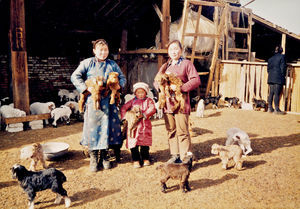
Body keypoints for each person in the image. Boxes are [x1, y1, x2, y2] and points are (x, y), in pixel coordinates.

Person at [71, 39, 126, 172]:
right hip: (94, 101)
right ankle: (94, 157)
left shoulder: (112, 64)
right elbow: (75, 76)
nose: (103, 53)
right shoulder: (87, 63)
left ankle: (105, 156)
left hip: (109, 102)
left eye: (105, 50)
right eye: (100, 50)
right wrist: (85, 88)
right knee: (93, 128)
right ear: (94, 51)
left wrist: (119, 86)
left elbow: (123, 78)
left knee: (108, 127)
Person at [153, 40, 200, 163]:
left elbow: (195, 80)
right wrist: (162, 87)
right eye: (171, 49)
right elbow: (156, 81)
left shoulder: (186, 64)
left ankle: (185, 158)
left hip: (181, 103)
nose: (173, 52)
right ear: (168, 52)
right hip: (167, 104)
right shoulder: (165, 66)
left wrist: (181, 88)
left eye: (176, 49)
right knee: (171, 130)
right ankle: (175, 155)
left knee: (183, 131)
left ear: (181, 50)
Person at [120, 82, 156, 168]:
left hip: (144, 125)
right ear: (135, 93)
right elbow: (123, 108)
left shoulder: (149, 101)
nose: (140, 94)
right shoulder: (132, 102)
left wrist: (144, 114)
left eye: (142, 92)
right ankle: (135, 159)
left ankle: (145, 158)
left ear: (146, 93)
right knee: (133, 143)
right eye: (138, 92)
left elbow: (152, 108)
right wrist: (125, 118)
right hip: (134, 126)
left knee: (144, 143)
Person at [267, 46, 287, 115]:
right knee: (277, 93)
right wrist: (283, 76)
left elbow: (268, 69)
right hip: (278, 77)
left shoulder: (270, 59)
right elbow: (283, 68)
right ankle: (276, 109)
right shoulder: (282, 57)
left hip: (270, 77)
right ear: (281, 51)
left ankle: (269, 108)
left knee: (271, 93)